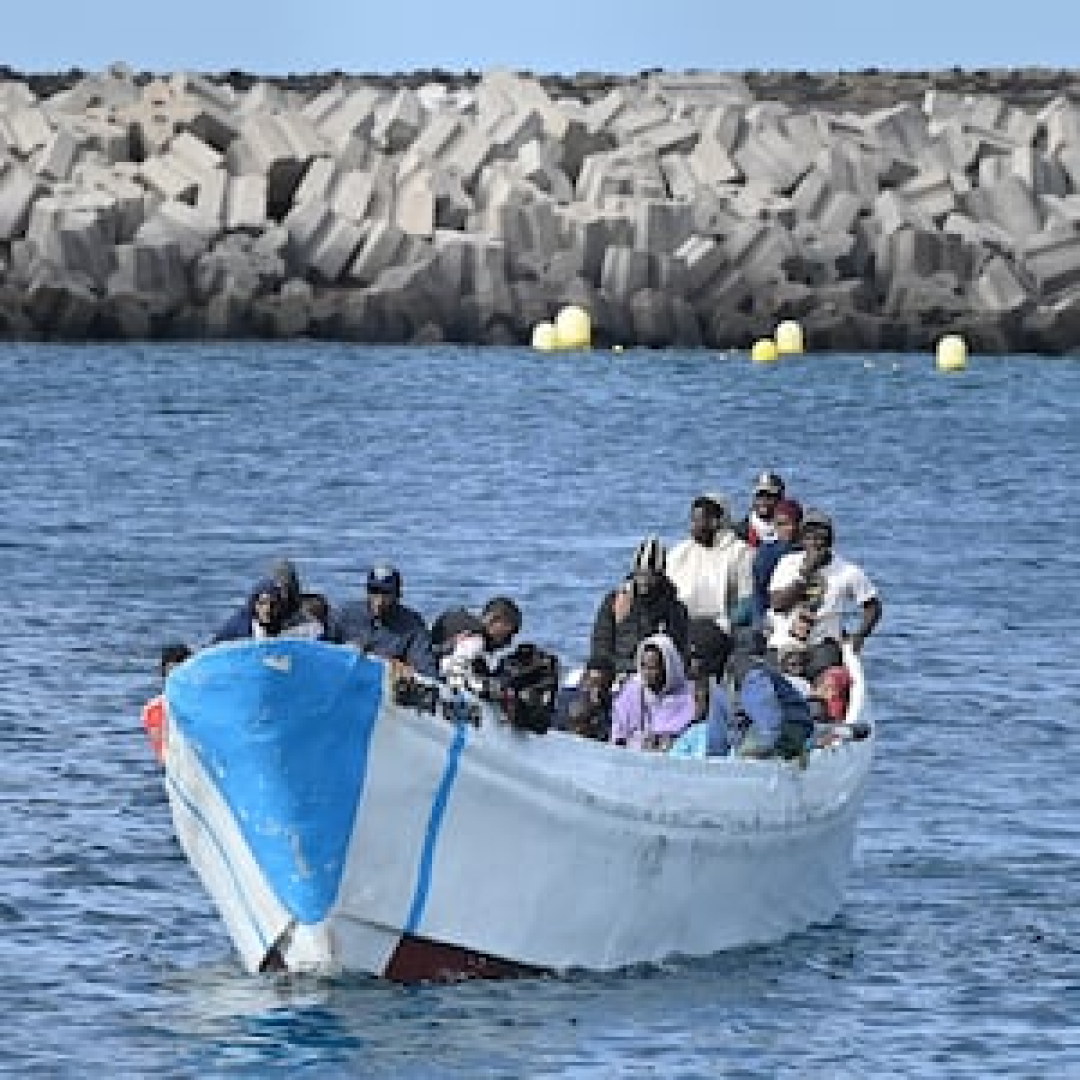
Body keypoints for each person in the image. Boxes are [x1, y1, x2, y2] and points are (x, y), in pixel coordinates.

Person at [767, 508, 882, 654]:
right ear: (802, 540)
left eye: (820, 538)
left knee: (828, 671)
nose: (815, 543)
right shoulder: (787, 563)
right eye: (809, 537)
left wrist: (860, 635)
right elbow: (778, 605)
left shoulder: (847, 571)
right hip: (784, 643)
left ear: (830, 542)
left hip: (823, 645)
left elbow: (873, 606)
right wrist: (804, 574)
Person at [590, 535, 690, 677]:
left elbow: (680, 652)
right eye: (640, 574)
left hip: (658, 676)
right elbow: (601, 644)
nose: (644, 581)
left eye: (650, 575)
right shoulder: (615, 601)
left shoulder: (675, 609)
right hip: (619, 672)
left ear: (661, 575)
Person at [666, 494, 753, 630]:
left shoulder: (740, 552)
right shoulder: (679, 553)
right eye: (692, 520)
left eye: (698, 520)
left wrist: (727, 624)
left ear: (715, 522)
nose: (692, 526)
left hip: (723, 628)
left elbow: (746, 600)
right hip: (682, 625)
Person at [336, 564, 437, 676]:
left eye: (386, 593)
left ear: (398, 595)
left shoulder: (413, 626)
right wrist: (344, 651)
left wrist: (399, 667)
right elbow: (320, 647)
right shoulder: (346, 614)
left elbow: (427, 672)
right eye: (374, 591)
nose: (379, 600)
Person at [725, 647, 815, 760]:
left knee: (749, 755)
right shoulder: (721, 680)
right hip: (774, 726)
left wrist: (765, 750)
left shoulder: (754, 676)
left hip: (793, 725)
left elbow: (770, 723)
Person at [609, 633, 695, 751]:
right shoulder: (631, 691)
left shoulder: (686, 697)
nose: (646, 673)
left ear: (666, 667)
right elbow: (618, 734)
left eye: (652, 668)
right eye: (643, 666)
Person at [432, 595, 523, 680]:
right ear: (494, 620)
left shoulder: (465, 623)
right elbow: (451, 672)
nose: (508, 642)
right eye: (508, 634)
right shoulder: (475, 641)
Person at [751, 497, 802, 628]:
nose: (786, 529)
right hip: (771, 612)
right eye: (779, 524)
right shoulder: (768, 553)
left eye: (789, 523)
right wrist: (761, 623)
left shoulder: (809, 549)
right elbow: (761, 593)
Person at [141, 642, 193, 764]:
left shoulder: (204, 701)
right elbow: (162, 755)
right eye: (171, 672)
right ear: (164, 673)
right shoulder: (155, 708)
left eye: (180, 672)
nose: (176, 677)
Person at [552, 655, 617, 740]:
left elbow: (607, 735)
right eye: (593, 682)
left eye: (603, 685)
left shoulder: (613, 706)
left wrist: (597, 709)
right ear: (584, 678)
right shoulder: (566, 697)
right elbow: (558, 725)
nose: (596, 689)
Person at [211, 577, 288, 642]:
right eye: (262, 603)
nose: (267, 609)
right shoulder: (243, 626)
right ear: (254, 604)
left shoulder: (279, 620)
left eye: (273, 604)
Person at [736, 470, 786, 548]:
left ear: (780, 498)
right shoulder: (741, 531)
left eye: (769, 496)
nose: (763, 501)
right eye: (760, 496)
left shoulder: (789, 530)